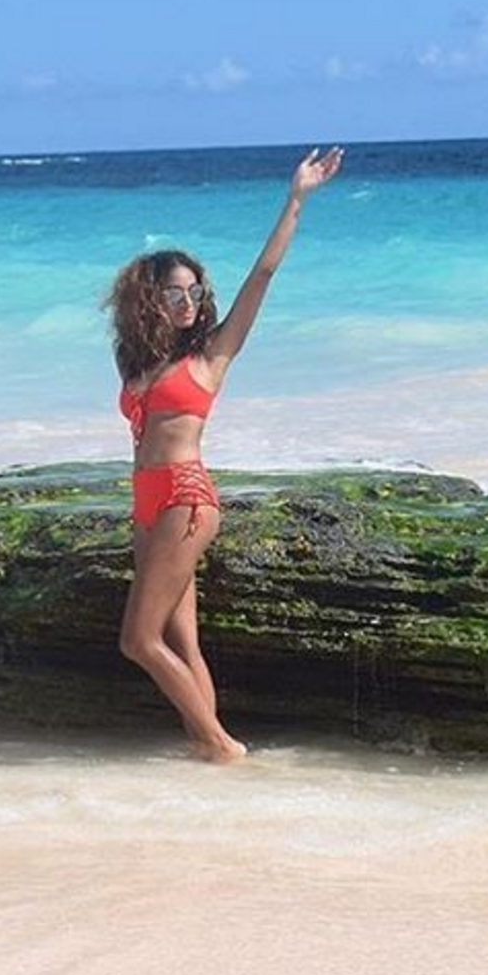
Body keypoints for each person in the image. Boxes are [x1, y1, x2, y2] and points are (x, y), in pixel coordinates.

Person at [103, 146, 343, 762]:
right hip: (146, 504)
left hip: (185, 499)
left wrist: (296, 199)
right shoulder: (134, 359)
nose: (187, 301)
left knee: (137, 640)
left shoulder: (211, 354)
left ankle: (222, 746)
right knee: (182, 642)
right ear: (149, 298)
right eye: (174, 291)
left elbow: (261, 276)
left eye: (194, 290)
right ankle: (204, 750)